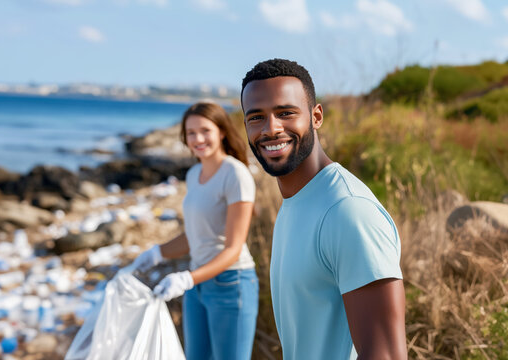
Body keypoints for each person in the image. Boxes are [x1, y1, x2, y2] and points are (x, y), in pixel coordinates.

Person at [240, 58, 407, 360]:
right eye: (256, 117)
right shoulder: (296, 202)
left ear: (316, 116)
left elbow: (387, 355)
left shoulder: (348, 212)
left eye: (286, 113)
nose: (271, 128)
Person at [131, 102, 258, 360]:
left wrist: (187, 278)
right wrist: (157, 253)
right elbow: (196, 234)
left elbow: (233, 248)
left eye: (205, 131)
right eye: (191, 133)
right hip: (197, 287)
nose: (198, 139)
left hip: (231, 284)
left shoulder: (235, 174)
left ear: (221, 131)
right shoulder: (193, 174)